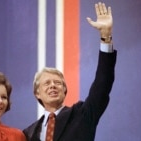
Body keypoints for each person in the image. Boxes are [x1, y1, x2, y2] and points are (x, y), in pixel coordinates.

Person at [23, 2, 116, 141]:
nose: (53, 85)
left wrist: (106, 37)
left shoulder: (82, 114)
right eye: (47, 83)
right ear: (37, 93)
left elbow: (103, 84)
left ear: (65, 89)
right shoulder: (27, 134)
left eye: (58, 83)